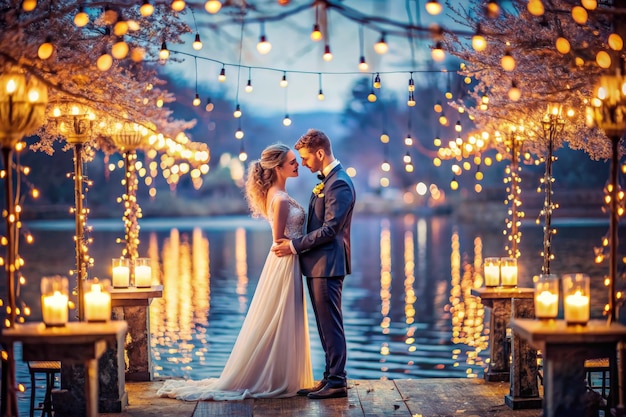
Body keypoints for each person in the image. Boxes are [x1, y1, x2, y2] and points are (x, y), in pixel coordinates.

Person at [157, 143, 313, 401]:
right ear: (278, 168)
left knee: (284, 317)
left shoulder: (279, 193)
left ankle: (281, 373)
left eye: (296, 161)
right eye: (292, 161)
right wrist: (299, 247)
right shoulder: (281, 199)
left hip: (288, 261)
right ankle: (275, 376)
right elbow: (278, 239)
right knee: (281, 315)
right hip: (285, 261)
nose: (297, 165)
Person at [272, 129, 356, 400]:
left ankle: (337, 381)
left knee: (331, 323)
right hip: (318, 264)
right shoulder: (328, 180)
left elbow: (331, 229)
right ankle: (330, 377)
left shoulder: (339, 183)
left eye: (306, 158)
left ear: (320, 153)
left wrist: (295, 246)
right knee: (324, 323)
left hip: (328, 264)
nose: (304, 163)